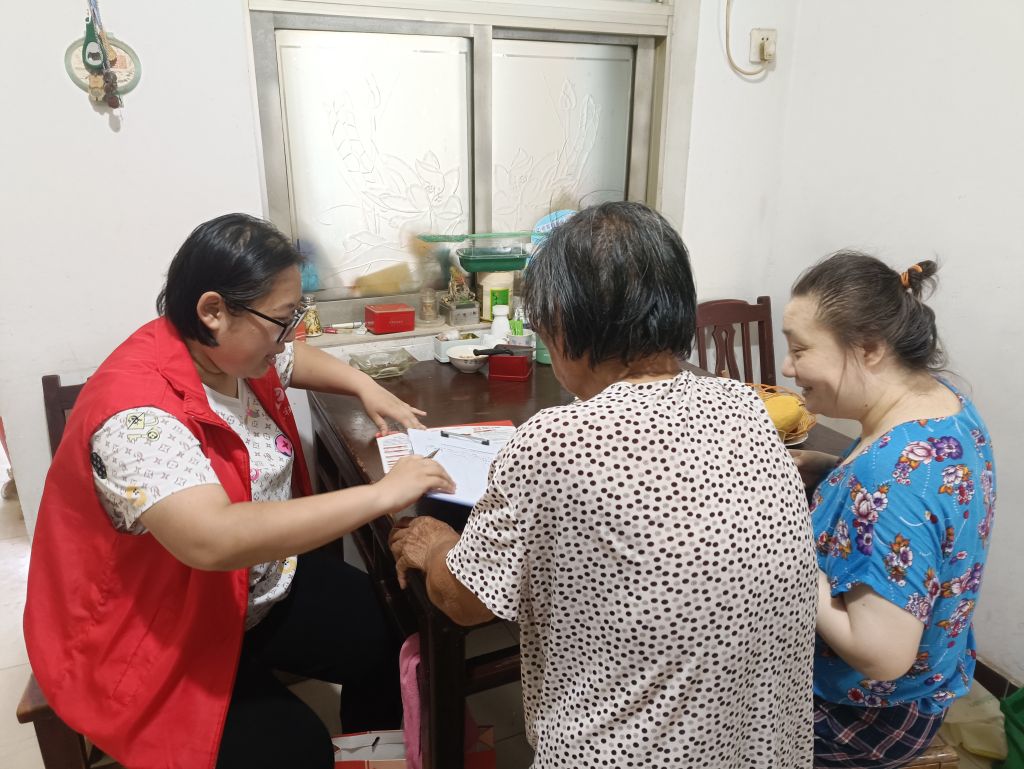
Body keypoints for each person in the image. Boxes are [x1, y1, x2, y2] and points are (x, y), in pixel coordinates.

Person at [390, 201, 817, 768]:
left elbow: (465, 603)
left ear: (562, 319)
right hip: (762, 750)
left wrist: (434, 545)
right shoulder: (745, 405)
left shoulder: (554, 441)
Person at [23, 214, 454, 769]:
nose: (288, 336)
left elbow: (295, 359)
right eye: (282, 319)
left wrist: (366, 386)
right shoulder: (137, 418)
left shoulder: (230, 350)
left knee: (389, 628)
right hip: (155, 624)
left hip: (251, 588)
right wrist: (383, 494)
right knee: (295, 749)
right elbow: (213, 539)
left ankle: (376, 753)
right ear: (213, 310)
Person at [782, 252, 996, 768]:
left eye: (800, 350)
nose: (788, 368)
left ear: (870, 348)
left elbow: (881, 655)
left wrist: (795, 567)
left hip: (865, 717)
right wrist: (832, 469)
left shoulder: (890, 478)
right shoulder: (942, 404)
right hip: (931, 683)